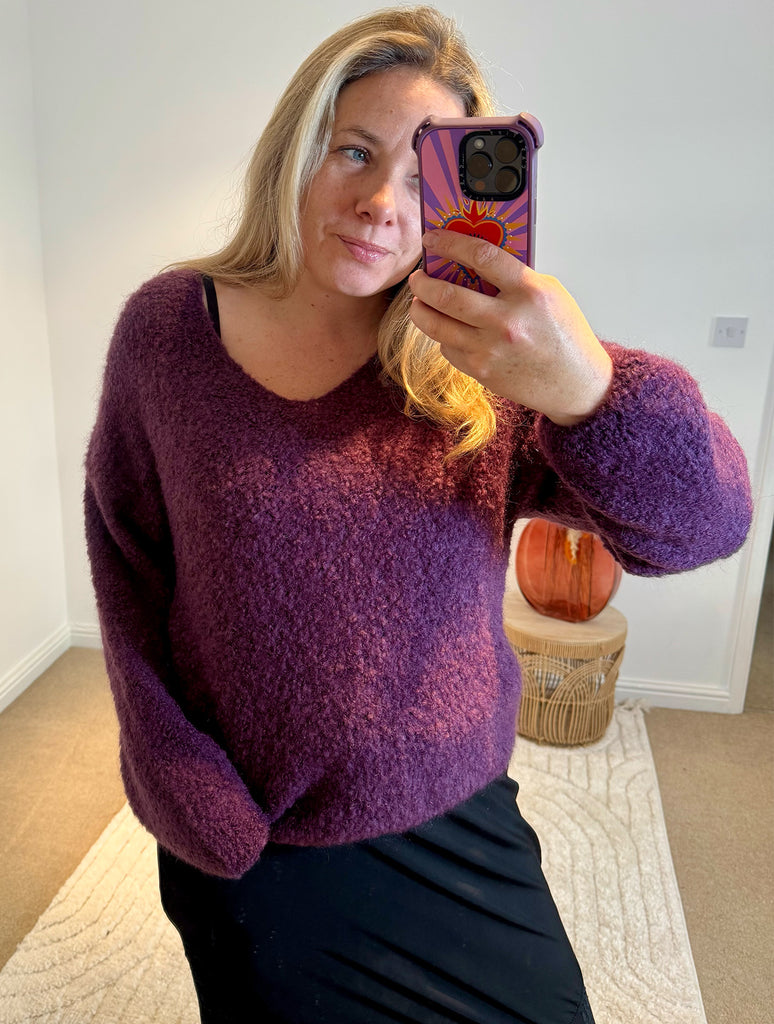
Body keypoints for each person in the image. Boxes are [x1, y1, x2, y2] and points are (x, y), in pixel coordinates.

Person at [84, 6, 752, 1023]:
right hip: (253, 834)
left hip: (454, 818)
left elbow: (707, 526)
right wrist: (176, 774)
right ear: (297, 149)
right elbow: (126, 558)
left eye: (419, 179)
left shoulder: (488, 362)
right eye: (354, 150)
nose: (378, 203)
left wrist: (586, 389)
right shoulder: (169, 331)